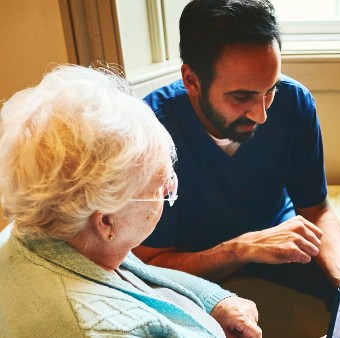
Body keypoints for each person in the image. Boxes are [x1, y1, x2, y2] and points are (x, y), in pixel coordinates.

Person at [134, 0, 340, 336]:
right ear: (191, 80)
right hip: (188, 258)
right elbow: (151, 264)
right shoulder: (149, 129)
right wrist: (241, 249)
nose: (261, 114)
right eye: (241, 97)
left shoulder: (295, 103)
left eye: (270, 91)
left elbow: (316, 210)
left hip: (276, 229)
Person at [0, 64, 262, 338]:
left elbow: (139, 274)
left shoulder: (46, 232)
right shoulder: (107, 329)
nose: (168, 189)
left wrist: (215, 302)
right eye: (162, 186)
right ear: (106, 221)